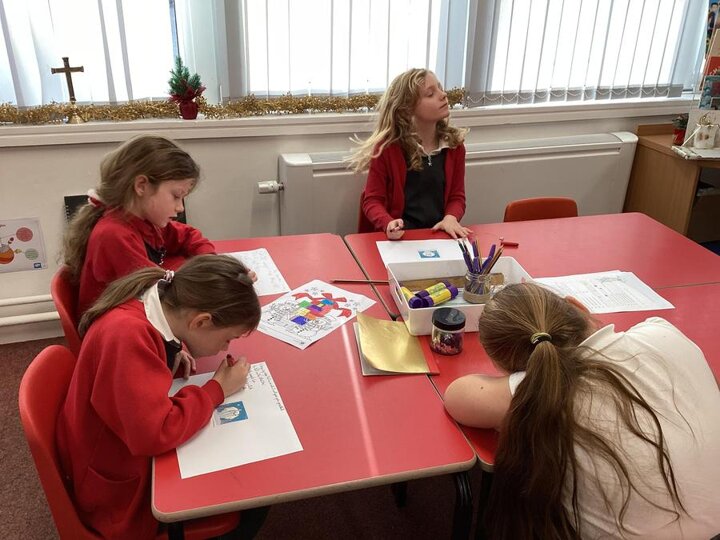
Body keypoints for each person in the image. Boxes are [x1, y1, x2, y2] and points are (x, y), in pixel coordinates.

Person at [444, 283, 720, 539]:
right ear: (578, 306)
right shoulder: (661, 332)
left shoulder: (533, 390)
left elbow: (456, 396)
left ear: (508, 368)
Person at [56, 254, 261, 539]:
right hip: (117, 492)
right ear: (201, 321)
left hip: (113, 456)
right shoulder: (126, 336)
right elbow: (154, 433)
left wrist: (171, 352)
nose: (226, 347)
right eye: (228, 338)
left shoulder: (156, 300)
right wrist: (217, 389)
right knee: (251, 499)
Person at [62, 134, 222, 317]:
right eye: (176, 196)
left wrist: (211, 263)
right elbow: (161, 291)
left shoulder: (144, 220)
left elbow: (188, 235)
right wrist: (215, 278)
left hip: (138, 315)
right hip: (119, 327)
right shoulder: (114, 235)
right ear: (141, 186)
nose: (180, 207)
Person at [348, 68, 471, 240]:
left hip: (438, 237)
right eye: (430, 94)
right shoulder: (387, 149)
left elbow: (457, 197)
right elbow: (372, 200)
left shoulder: (454, 146)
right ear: (407, 109)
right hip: (402, 239)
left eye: (440, 88)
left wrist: (451, 218)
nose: (443, 95)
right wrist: (388, 223)